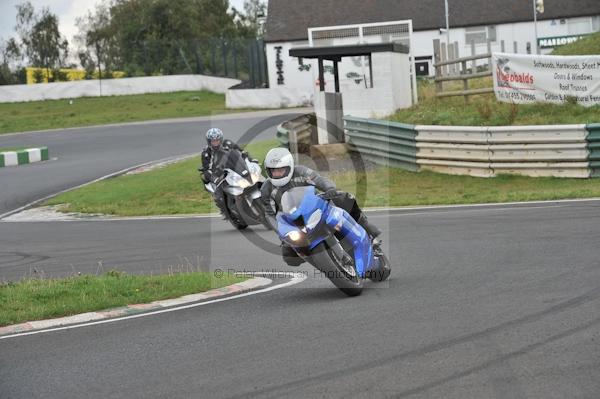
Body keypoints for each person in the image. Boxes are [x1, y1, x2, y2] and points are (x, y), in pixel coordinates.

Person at [260, 147, 382, 266]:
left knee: (344, 198)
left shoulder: (301, 171)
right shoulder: (266, 189)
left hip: (316, 207)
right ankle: (322, 263)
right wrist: (281, 232)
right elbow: (269, 214)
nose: (277, 173)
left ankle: (368, 229)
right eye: (273, 171)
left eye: (281, 170)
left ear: (290, 167)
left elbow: (318, 179)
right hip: (294, 222)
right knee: (289, 257)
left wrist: (329, 188)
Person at [200, 128, 249, 215]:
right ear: (209, 141)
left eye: (217, 140)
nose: (215, 143)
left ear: (221, 139)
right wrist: (216, 179)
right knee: (220, 196)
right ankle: (225, 210)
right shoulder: (206, 153)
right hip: (219, 174)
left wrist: (250, 161)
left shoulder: (228, 143)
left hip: (233, 168)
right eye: (213, 141)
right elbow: (207, 170)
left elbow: (242, 152)